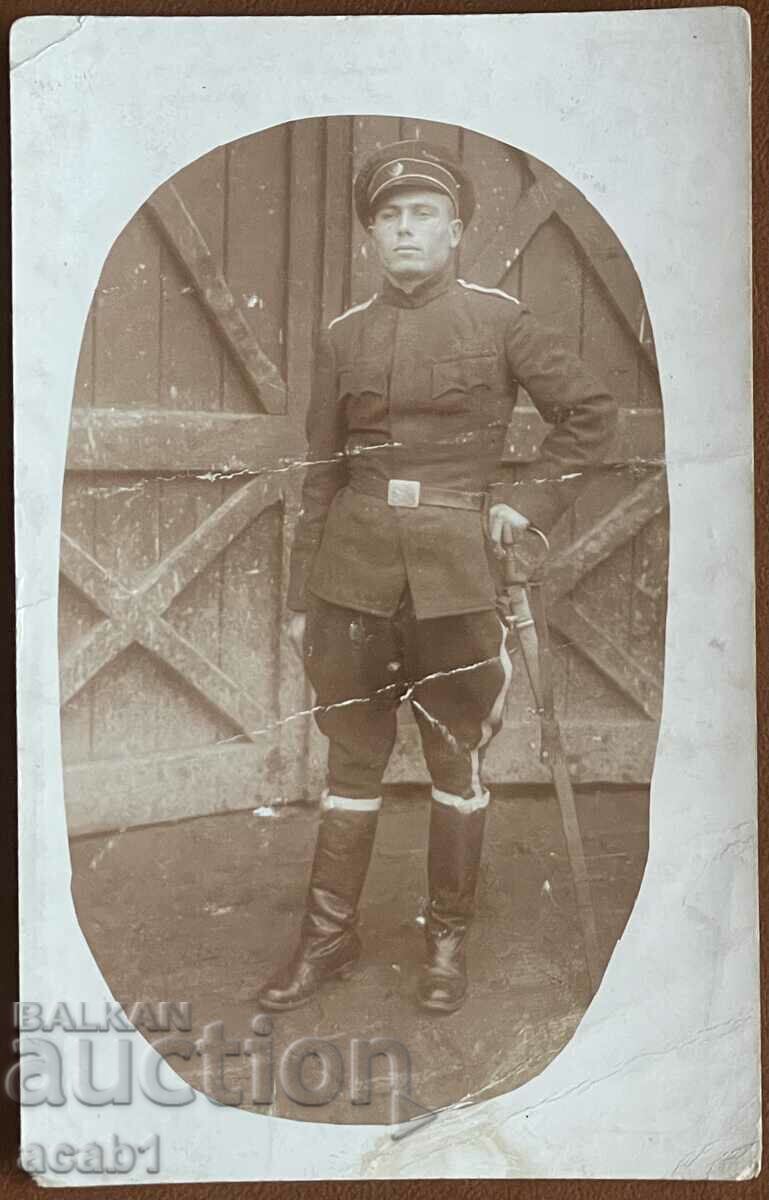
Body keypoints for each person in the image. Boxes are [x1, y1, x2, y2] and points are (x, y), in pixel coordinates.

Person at [257, 140, 617, 1014]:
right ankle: (326, 941)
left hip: (457, 578)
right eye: (390, 216)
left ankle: (445, 944)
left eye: (423, 214)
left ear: (454, 231)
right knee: (351, 761)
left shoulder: (500, 321)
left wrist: (524, 505)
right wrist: (303, 598)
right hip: (352, 575)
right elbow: (320, 469)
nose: (405, 229)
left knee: (456, 762)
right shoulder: (343, 336)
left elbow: (591, 418)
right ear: (371, 236)